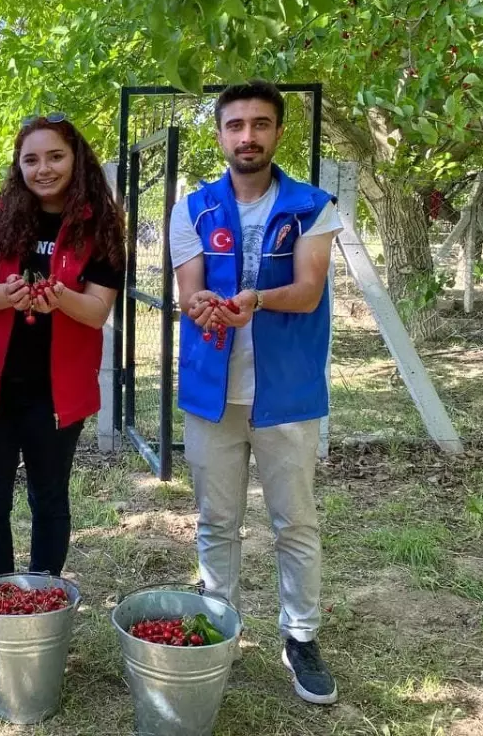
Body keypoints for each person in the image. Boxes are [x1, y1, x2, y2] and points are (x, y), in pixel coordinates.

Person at [169, 81, 342, 705]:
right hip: (212, 393)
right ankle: (219, 629)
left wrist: (255, 300)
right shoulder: (191, 208)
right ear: (219, 134)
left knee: (294, 522)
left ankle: (300, 636)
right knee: (217, 521)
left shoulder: (312, 205)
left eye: (261, 124)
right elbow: (188, 294)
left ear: (278, 132)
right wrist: (202, 306)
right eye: (236, 124)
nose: (248, 136)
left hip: (286, 392)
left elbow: (309, 289)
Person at [0, 114, 125, 579]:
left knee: (48, 497)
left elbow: (96, 311)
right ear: (18, 164)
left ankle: (42, 595)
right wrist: (12, 295)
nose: (43, 168)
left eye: (55, 156)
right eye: (30, 159)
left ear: (77, 160)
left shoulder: (101, 227)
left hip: (55, 391)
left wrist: (60, 298)